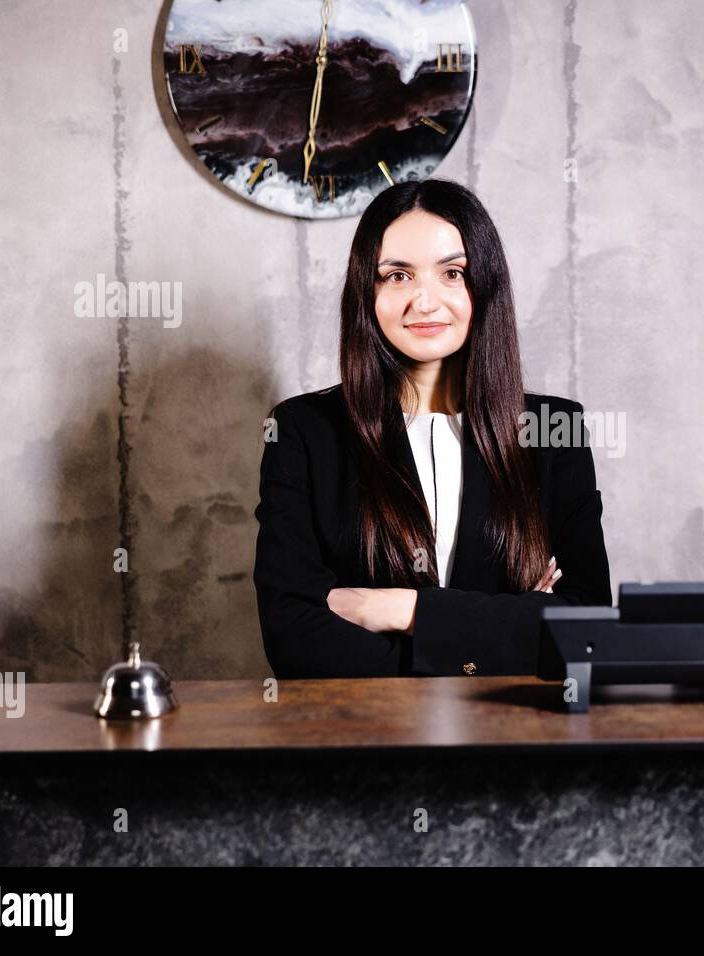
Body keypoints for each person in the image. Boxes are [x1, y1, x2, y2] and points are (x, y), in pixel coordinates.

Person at [253, 178, 612, 678]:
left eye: (452, 273)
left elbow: (587, 626)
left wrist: (402, 610)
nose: (424, 302)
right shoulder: (302, 432)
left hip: (516, 738)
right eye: (397, 276)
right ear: (367, 291)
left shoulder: (555, 428)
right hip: (365, 737)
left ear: (483, 284)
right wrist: (504, 625)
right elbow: (294, 638)